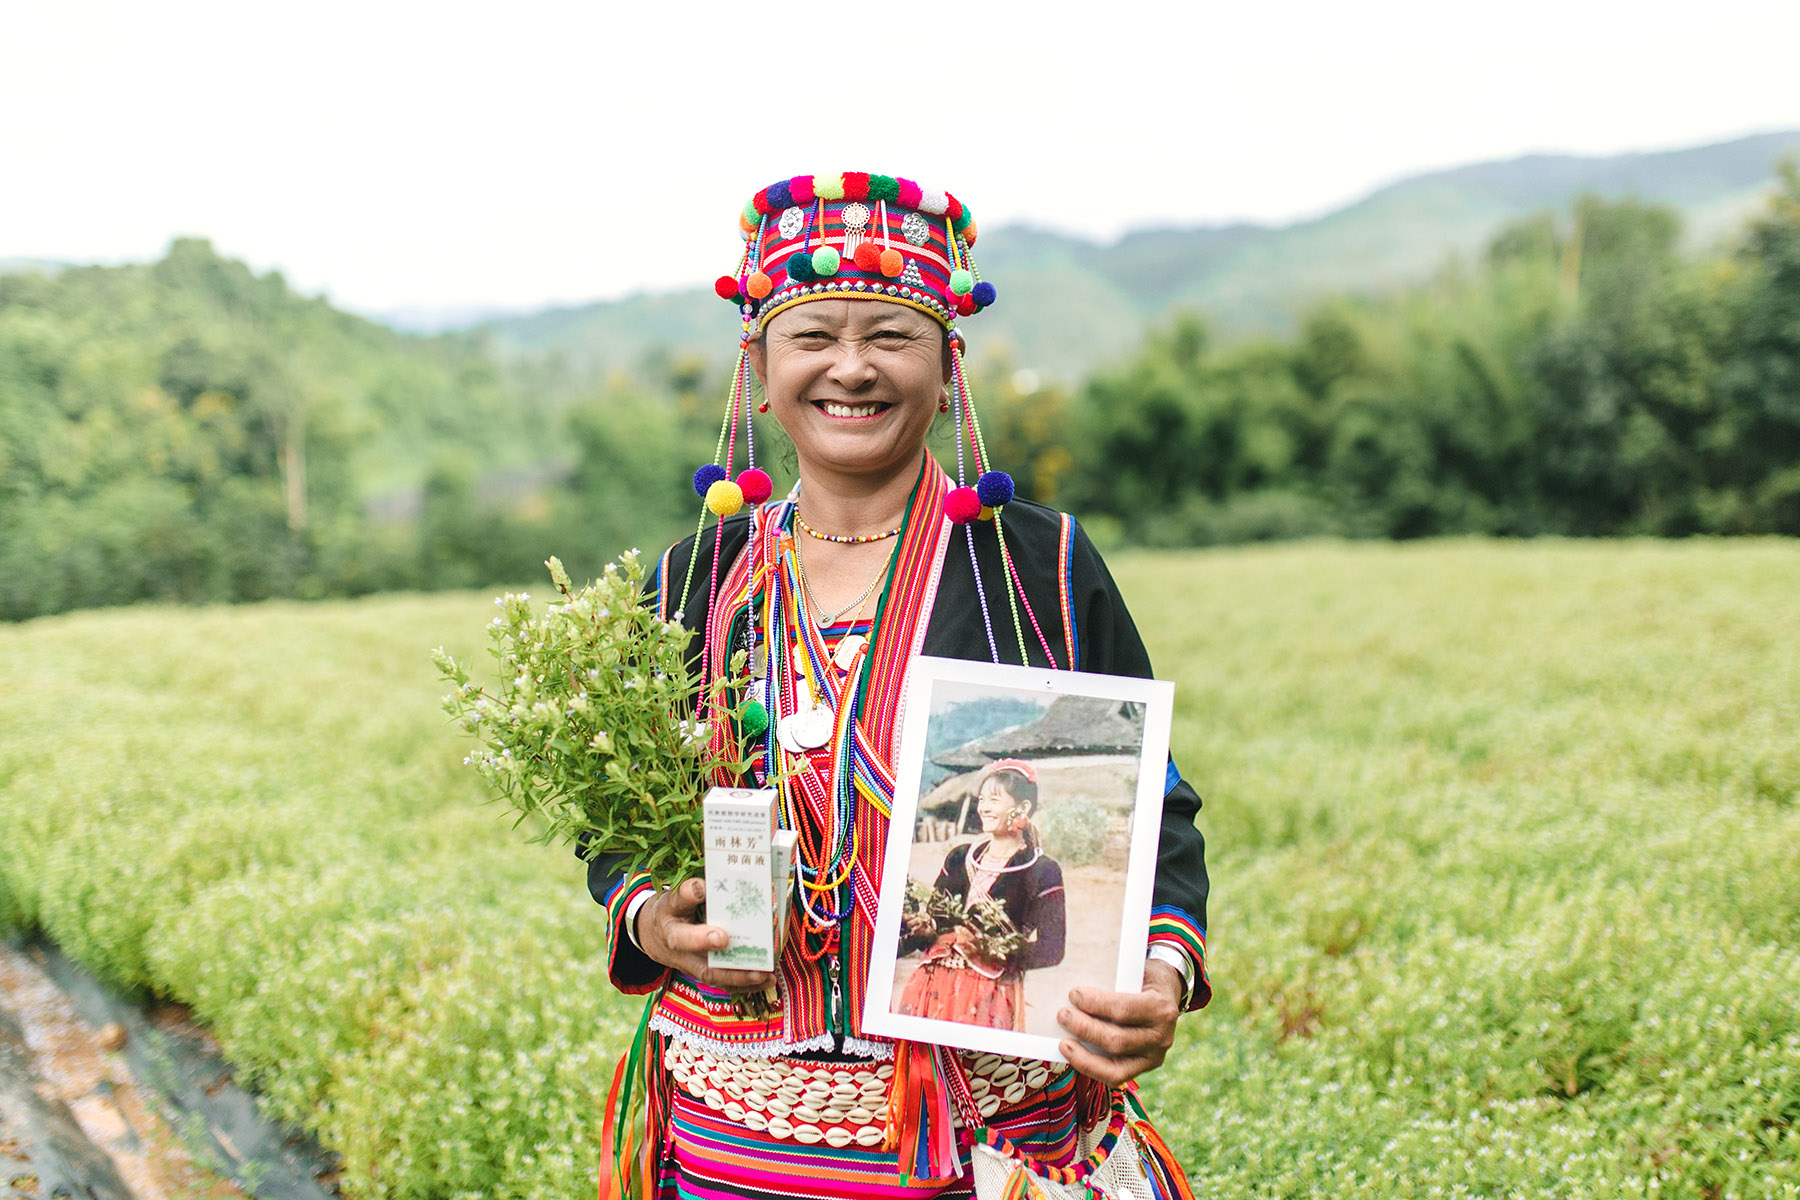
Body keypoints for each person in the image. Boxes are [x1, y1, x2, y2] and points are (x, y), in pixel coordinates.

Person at [583, 173, 1210, 1199]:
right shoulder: (696, 578)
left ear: (947, 363)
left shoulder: (1039, 568)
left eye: (891, 335)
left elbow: (1155, 802)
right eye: (812, 336)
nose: (851, 368)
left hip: (995, 1136)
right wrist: (655, 916)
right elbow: (613, 816)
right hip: (736, 1137)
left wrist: (1160, 972)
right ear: (761, 365)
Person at [898, 759, 1066, 1032]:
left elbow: (1052, 950)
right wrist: (926, 929)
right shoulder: (959, 858)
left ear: (1023, 807)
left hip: (988, 996)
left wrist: (990, 949)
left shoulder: (1042, 871)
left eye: (994, 800)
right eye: (982, 800)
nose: (983, 808)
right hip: (931, 987)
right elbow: (935, 924)